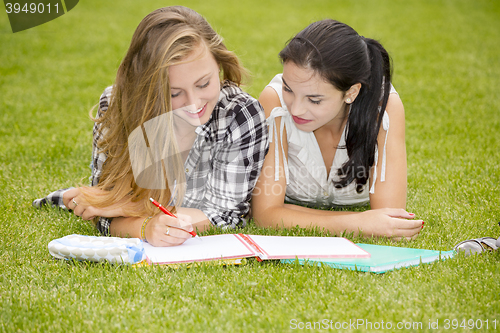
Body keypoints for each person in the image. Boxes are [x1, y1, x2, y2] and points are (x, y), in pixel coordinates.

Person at [33, 6, 268, 246]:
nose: (193, 103)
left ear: (218, 65)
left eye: (204, 83)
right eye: (174, 93)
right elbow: (101, 213)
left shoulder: (240, 115)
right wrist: (144, 227)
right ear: (147, 89)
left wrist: (131, 206)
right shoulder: (116, 105)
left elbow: (226, 215)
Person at [251, 19, 422, 240]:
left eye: (314, 99)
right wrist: (357, 222)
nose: (296, 108)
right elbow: (265, 215)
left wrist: (292, 215)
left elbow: (389, 218)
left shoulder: (384, 107)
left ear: (351, 92)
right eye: (288, 88)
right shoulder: (274, 102)